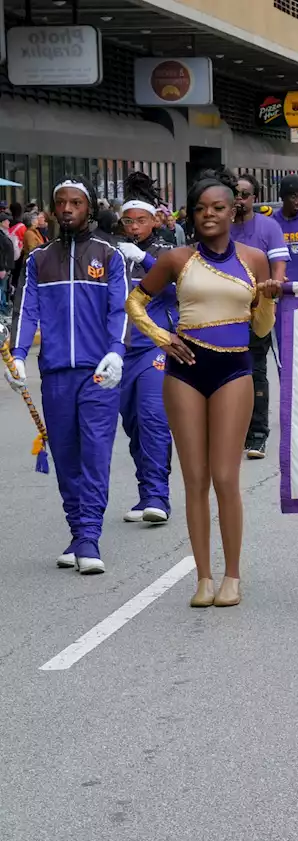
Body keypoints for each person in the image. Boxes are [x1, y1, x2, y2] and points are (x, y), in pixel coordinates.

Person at [126, 169, 282, 607]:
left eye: (217, 208)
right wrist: (162, 337)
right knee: (194, 479)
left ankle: (232, 575)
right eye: (200, 209)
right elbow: (135, 301)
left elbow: (261, 327)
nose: (208, 215)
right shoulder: (177, 260)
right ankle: (203, 578)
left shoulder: (254, 259)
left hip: (234, 370)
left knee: (225, 476)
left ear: (234, 211)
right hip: (185, 370)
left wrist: (266, 296)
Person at [6, 177, 128, 575]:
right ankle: (78, 533)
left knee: (94, 454)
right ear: (54, 209)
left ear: (88, 208)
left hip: (99, 374)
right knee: (65, 455)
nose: (68, 209)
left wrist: (116, 350)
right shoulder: (39, 259)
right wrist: (19, 356)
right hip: (56, 373)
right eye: (61, 203)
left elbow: (120, 310)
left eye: (76, 203)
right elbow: (27, 311)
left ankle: (89, 536)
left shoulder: (109, 255)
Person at [113, 172, 176, 525]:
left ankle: (157, 495)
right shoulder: (113, 254)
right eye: (129, 221)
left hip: (156, 346)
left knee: (153, 418)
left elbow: (180, 288)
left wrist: (145, 259)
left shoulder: (167, 253)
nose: (134, 226)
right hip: (122, 350)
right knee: (133, 423)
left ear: (154, 220)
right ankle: (145, 491)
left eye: (141, 220)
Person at [229, 175, 288, 461]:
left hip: (256, 311)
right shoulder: (219, 226)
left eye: (245, 195)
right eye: (235, 195)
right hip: (222, 312)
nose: (240, 200)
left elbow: (278, 267)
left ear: (254, 198)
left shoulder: (269, 228)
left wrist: (273, 289)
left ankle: (257, 435)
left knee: (255, 372)